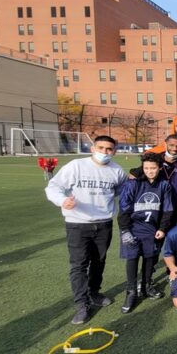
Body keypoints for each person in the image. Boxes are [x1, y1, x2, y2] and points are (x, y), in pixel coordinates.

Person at [45, 135, 127, 324]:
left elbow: (122, 191)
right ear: (92, 148)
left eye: (109, 149)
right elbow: (53, 187)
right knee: (79, 265)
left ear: (114, 151)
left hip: (104, 223)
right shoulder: (76, 166)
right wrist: (62, 201)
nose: (104, 152)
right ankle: (81, 304)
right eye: (101, 148)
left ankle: (94, 292)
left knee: (99, 261)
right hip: (78, 223)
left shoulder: (116, 170)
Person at [117, 153, 174, 313]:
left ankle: (147, 286)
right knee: (132, 259)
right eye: (146, 168)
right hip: (133, 229)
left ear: (160, 168)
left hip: (152, 229)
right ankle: (131, 292)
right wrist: (125, 230)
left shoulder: (164, 185)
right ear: (142, 168)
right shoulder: (133, 184)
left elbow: (167, 209)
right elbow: (124, 208)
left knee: (150, 259)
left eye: (153, 168)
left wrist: (162, 228)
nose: (150, 171)